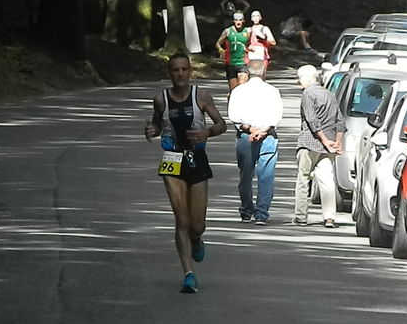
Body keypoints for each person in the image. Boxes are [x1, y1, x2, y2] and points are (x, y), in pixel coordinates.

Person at [144, 53, 227, 293]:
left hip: (197, 159)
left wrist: (207, 133)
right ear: (169, 73)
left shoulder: (200, 96)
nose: (179, 74)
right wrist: (152, 129)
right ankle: (188, 274)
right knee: (181, 219)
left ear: (190, 71)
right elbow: (157, 123)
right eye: (175, 70)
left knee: (197, 224)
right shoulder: (161, 99)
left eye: (183, 69)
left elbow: (221, 124)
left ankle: (197, 237)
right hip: (172, 160)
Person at [227, 59, 283, 225]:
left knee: (246, 175)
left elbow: (234, 115)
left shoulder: (238, 91)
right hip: (268, 135)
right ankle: (261, 213)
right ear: (264, 72)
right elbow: (277, 115)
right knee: (266, 176)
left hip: (246, 135)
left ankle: (246, 211)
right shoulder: (273, 91)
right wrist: (263, 130)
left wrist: (251, 129)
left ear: (248, 72)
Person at [293, 64, 345, 228]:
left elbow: (312, 121)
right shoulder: (330, 94)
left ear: (308, 78)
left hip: (310, 143)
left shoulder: (308, 94)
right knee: (327, 181)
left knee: (303, 180)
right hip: (328, 145)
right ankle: (329, 217)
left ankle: (301, 216)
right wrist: (337, 142)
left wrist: (324, 141)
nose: (297, 81)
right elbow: (340, 121)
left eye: (299, 77)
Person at [215, 11, 250, 91]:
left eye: (240, 20)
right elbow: (218, 43)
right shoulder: (228, 31)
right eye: (236, 20)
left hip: (243, 63)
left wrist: (250, 49)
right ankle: (231, 100)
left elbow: (250, 43)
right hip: (231, 64)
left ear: (243, 21)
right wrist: (221, 50)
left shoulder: (247, 31)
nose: (238, 22)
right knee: (234, 91)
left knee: (242, 89)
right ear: (233, 21)